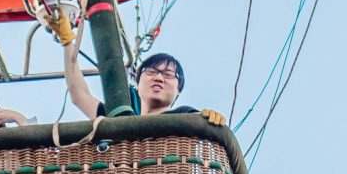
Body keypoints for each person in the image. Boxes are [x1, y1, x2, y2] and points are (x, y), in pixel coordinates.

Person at [62, 42, 225, 124]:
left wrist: (210, 121)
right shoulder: (118, 120)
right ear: (138, 84)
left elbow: (205, 128)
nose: (159, 78)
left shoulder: (185, 116)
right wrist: (67, 42)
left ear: (178, 90)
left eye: (168, 74)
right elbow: (79, 96)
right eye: (152, 72)